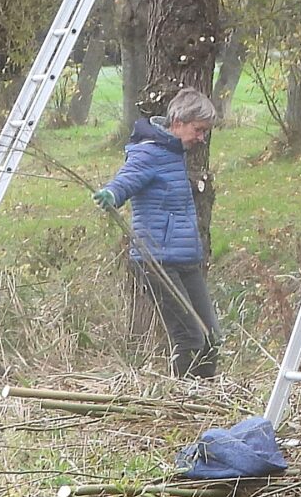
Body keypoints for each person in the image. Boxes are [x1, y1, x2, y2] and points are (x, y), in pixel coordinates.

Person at [94, 88, 223, 379]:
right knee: (190, 337)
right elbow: (126, 180)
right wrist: (110, 195)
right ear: (178, 122)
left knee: (211, 337)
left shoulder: (174, 152)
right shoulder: (150, 152)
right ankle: (186, 400)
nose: (201, 137)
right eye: (198, 130)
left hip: (185, 258)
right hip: (156, 260)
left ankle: (207, 397)